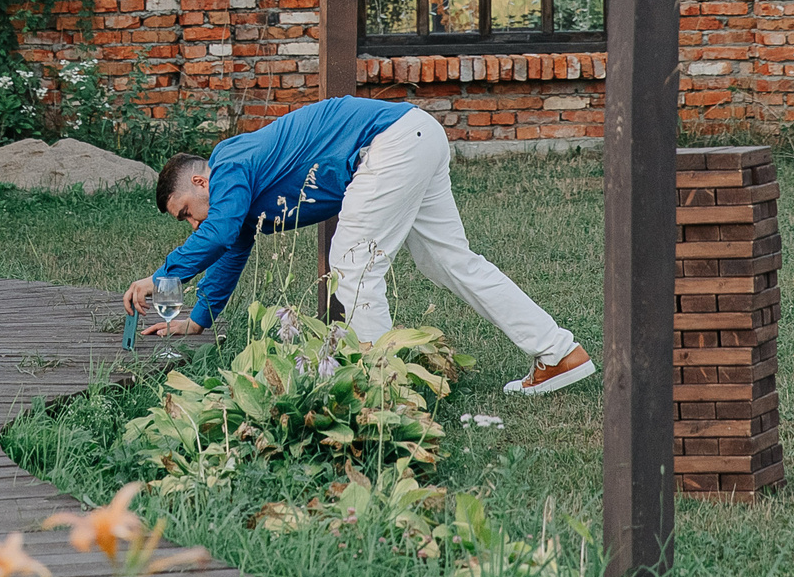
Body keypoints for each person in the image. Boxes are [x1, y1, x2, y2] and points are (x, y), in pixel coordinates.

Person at [123, 97, 596, 396]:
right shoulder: (235, 198)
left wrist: (162, 279)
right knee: (450, 263)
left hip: (390, 144)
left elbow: (220, 233)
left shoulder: (229, 162)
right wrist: (196, 319)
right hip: (416, 134)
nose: (191, 224)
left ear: (201, 180)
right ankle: (559, 354)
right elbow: (231, 246)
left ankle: (383, 392)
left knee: (351, 263)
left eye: (187, 211)